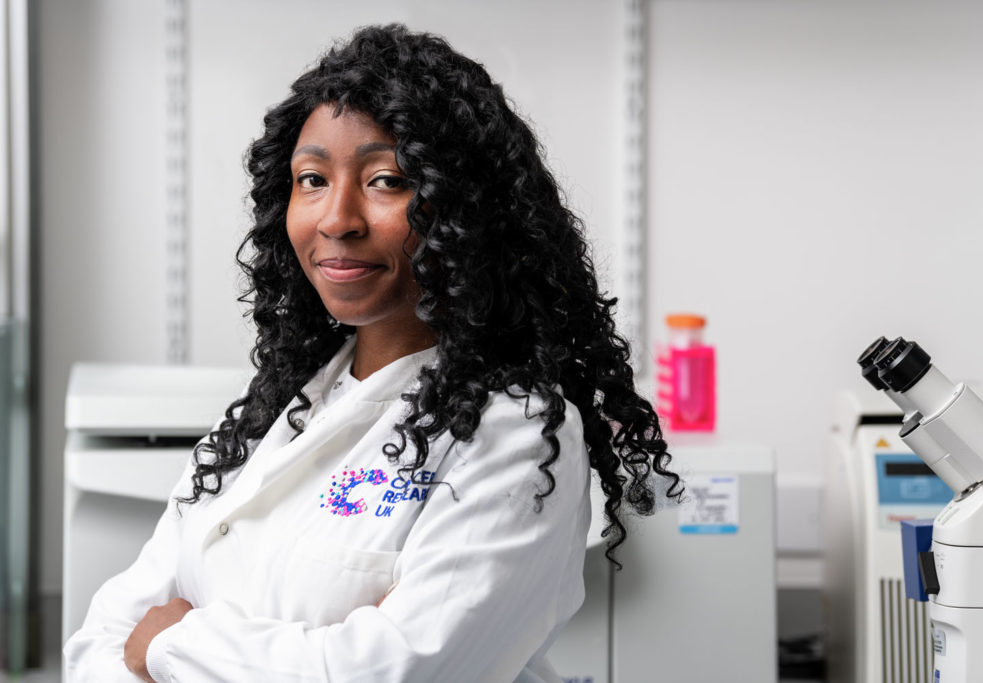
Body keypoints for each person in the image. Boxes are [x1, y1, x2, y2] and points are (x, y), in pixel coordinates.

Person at [64, 24, 683, 682]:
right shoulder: (272, 416)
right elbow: (97, 640)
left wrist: (170, 644)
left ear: (464, 208)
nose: (337, 217)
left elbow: (391, 672)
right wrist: (299, 649)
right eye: (311, 179)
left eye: (386, 180)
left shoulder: (517, 432)